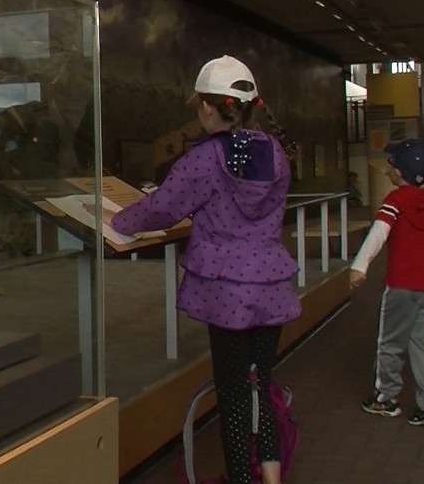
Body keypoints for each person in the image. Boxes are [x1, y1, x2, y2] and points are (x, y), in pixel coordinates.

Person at [111, 56, 299, 484]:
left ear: (210, 108)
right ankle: (272, 478)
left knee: (232, 395)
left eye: (198, 105)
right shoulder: (275, 154)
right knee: (262, 385)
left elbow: (162, 208)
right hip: (271, 287)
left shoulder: (203, 159)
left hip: (227, 294)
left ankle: (241, 479)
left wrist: (117, 222)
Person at [349, 139, 424, 427]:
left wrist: (360, 266)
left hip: (400, 287)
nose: (388, 167)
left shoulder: (395, 201)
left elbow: (378, 234)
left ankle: (386, 398)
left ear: (400, 171)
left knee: (390, 343)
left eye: (392, 164)